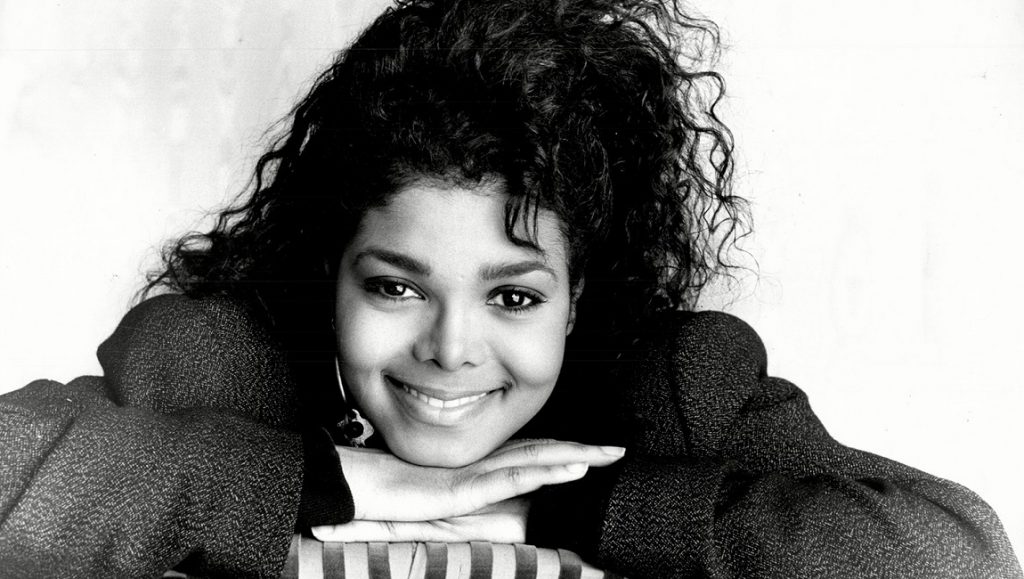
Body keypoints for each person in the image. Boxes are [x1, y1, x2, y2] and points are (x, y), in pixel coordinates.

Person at [0, 0, 1021, 577]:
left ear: (580, 297)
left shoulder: (673, 392)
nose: (451, 348)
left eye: (514, 297)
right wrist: (337, 486)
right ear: (333, 274)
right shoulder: (213, 368)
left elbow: (958, 555)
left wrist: (560, 509)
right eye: (398, 288)